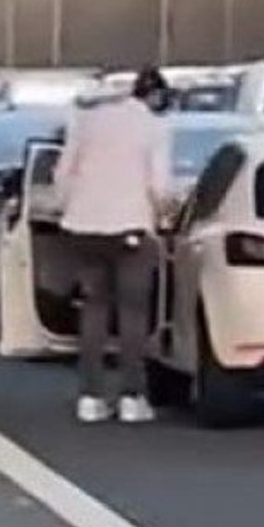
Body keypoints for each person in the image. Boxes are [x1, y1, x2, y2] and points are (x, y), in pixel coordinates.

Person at [55, 64, 173, 424]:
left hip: (84, 227)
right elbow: (160, 185)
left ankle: (90, 397)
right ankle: (131, 397)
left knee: (94, 309)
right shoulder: (153, 127)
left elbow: (63, 175)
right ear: (154, 96)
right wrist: (164, 215)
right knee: (132, 313)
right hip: (130, 227)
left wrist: (67, 209)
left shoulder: (85, 121)